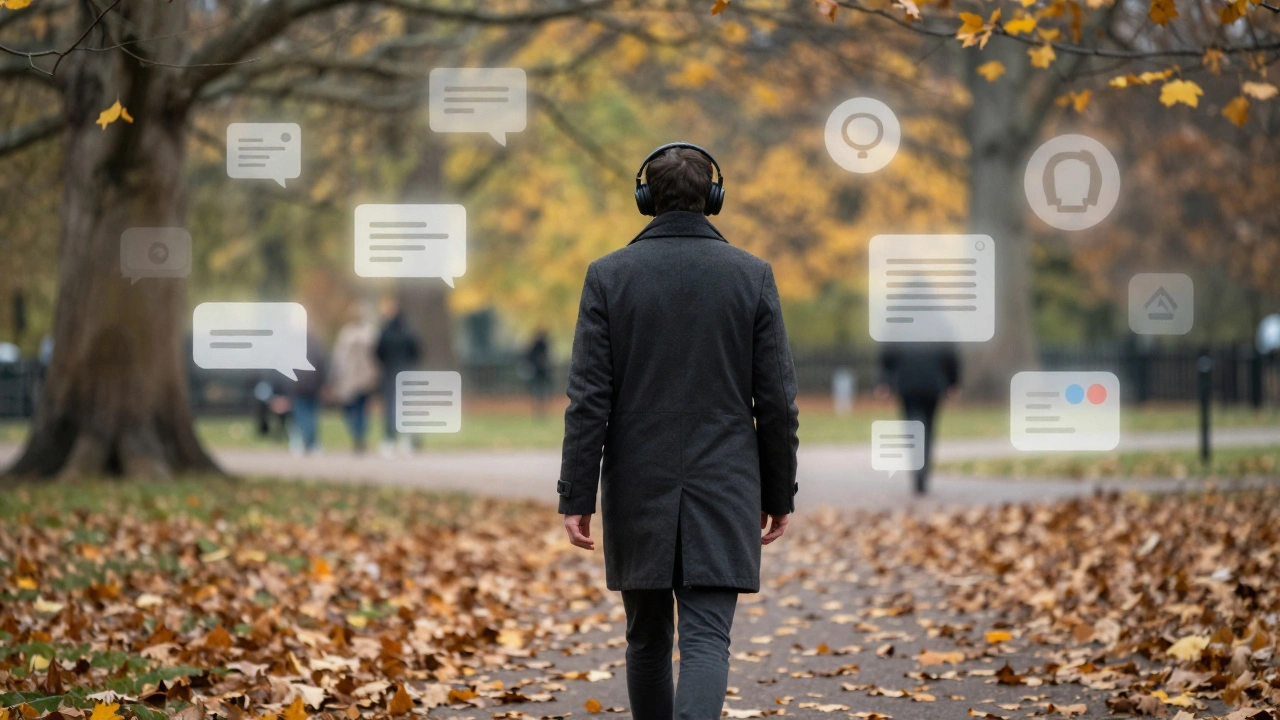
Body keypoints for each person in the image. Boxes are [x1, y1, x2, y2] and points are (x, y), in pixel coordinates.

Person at [557, 143, 799, 720]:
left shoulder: (607, 276)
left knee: (645, 640)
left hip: (637, 483)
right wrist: (778, 493)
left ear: (646, 198)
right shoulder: (752, 276)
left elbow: (588, 400)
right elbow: (779, 403)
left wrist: (576, 495)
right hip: (725, 482)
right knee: (708, 638)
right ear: (713, 197)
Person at [877, 343, 960, 495]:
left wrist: (884, 381)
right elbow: (950, 355)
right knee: (928, 428)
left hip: (907, 383)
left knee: (912, 427)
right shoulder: (939, 325)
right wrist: (953, 382)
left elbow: (887, 356)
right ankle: (923, 470)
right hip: (933, 383)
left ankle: (918, 470)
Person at [328, 302, 381, 453]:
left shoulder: (352, 334)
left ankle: (358, 435)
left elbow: (338, 358)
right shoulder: (368, 333)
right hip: (359, 378)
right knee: (357, 408)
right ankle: (359, 434)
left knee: (356, 408)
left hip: (357, 378)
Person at [375, 297, 421, 456]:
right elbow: (416, 351)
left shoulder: (385, 331)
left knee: (391, 408)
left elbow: (377, 352)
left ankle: (390, 440)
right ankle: (408, 440)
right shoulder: (407, 330)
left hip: (390, 372)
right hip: (406, 371)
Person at [288, 332, 328, 455]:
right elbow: (323, 366)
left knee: (301, 416)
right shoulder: (317, 347)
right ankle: (312, 443)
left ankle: (304, 443)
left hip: (298, 386)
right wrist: (323, 383)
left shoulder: (293, 348)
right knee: (311, 415)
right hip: (313, 386)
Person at [522, 328, 552, 417]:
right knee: (540, 390)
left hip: (539, 371)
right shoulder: (541, 344)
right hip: (540, 371)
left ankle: (539, 408)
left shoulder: (536, 344)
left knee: (539, 390)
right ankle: (540, 408)